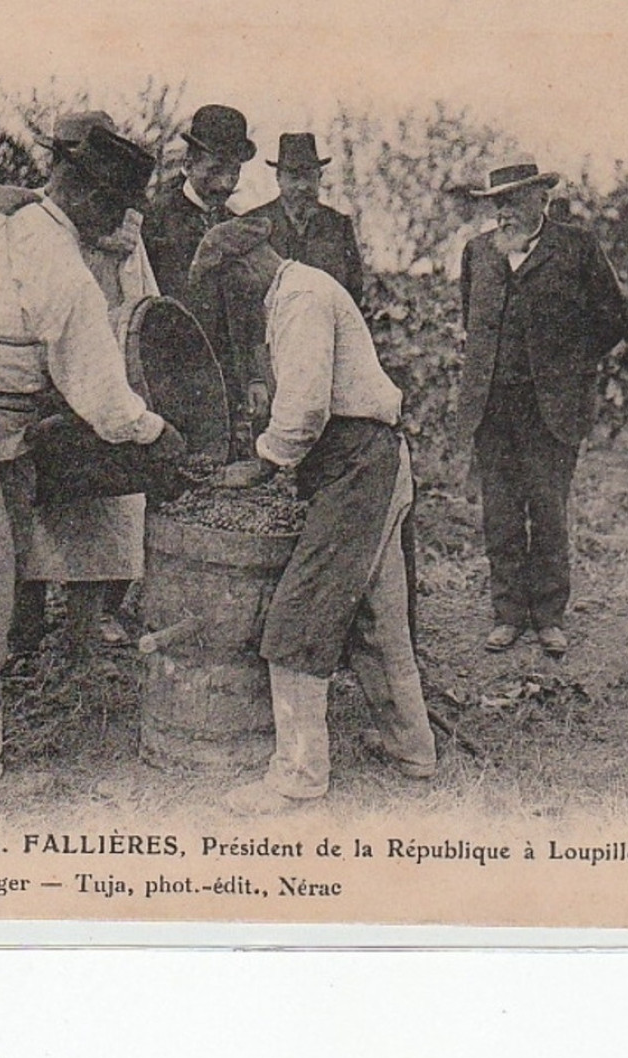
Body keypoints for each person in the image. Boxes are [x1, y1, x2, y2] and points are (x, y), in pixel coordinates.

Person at [0, 123, 184, 802]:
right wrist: (158, 433)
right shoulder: (65, 270)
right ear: (79, 191)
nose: (118, 220)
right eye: (112, 204)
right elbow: (107, 403)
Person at [187, 218, 436, 815]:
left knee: (300, 615)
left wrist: (264, 462)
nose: (229, 304)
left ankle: (297, 776)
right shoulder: (298, 291)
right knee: (379, 615)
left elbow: (305, 408)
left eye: (225, 289)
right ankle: (412, 750)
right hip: (362, 462)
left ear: (244, 269)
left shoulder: (300, 298)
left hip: (359, 466)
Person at [456, 159, 627, 656]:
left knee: (548, 511)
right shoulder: (478, 254)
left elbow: (612, 318)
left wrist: (568, 367)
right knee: (501, 513)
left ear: (540, 200)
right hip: (492, 405)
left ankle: (549, 616)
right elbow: (472, 318)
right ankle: (508, 613)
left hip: (551, 408)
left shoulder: (576, 247)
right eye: (496, 204)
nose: (502, 213)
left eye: (511, 202)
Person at [13, 111, 164, 656]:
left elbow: (144, 305)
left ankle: (91, 617)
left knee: (101, 508)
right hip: (40, 375)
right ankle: (22, 621)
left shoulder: (123, 225)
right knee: (29, 510)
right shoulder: (32, 215)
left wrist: (120, 257)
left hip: (103, 375)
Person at [143, 105, 260, 422]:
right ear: (189, 162)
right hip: (170, 375)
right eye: (215, 169)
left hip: (225, 379)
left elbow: (249, 308)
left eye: (233, 172)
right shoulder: (154, 219)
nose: (225, 183)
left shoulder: (236, 227)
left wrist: (255, 376)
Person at [242, 133, 366, 306]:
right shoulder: (252, 223)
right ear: (278, 178)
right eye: (294, 177)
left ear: (319, 177)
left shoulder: (339, 225)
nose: (302, 186)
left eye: (309, 176)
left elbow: (354, 291)